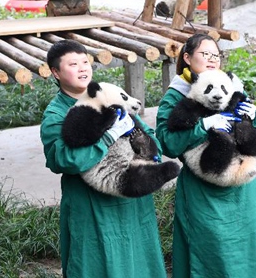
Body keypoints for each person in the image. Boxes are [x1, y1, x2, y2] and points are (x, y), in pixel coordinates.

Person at [40, 39, 167, 277]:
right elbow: (66, 160)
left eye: (85, 62)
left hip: (133, 201)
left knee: (140, 262)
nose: (82, 68)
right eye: (73, 64)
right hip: (91, 206)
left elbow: (151, 139)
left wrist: (148, 149)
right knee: (96, 264)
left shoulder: (108, 95)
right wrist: (108, 138)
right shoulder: (56, 114)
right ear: (55, 72)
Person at [154, 34, 256, 277]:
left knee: (250, 248)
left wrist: (254, 117)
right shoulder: (177, 94)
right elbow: (167, 142)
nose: (212, 60)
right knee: (209, 251)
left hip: (244, 188)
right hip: (204, 189)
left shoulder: (230, 84)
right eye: (205, 54)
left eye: (215, 55)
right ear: (187, 58)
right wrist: (203, 126)